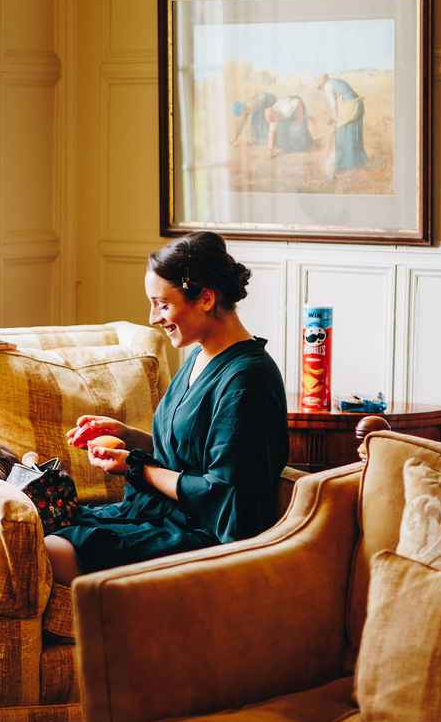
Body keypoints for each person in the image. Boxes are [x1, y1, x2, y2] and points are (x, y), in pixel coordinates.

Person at [44, 232, 289, 584]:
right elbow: (188, 454)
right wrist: (127, 436)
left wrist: (137, 468)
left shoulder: (248, 380)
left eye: (162, 304)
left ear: (205, 298)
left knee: (58, 549)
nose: (153, 317)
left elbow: (223, 493)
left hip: (205, 535)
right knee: (49, 523)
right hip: (162, 511)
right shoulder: (200, 357)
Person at [318, 73, 369, 176]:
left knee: (342, 134)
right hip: (357, 105)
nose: (321, 90)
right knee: (354, 131)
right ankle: (358, 162)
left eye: (320, 88)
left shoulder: (328, 85)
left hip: (349, 106)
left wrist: (336, 119)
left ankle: (345, 166)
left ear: (322, 84)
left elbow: (333, 105)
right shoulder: (337, 81)